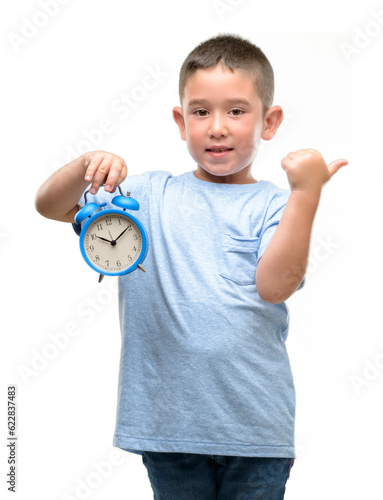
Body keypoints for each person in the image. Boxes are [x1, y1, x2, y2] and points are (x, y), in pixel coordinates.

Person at [35, 33, 347, 500]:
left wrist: (306, 195)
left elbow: (275, 286)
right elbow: (49, 206)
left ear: (270, 121)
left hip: (256, 432)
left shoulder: (275, 206)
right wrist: (87, 165)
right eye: (201, 112)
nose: (217, 127)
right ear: (181, 122)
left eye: (237, 111)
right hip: (168, 429)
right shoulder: (144, 195)